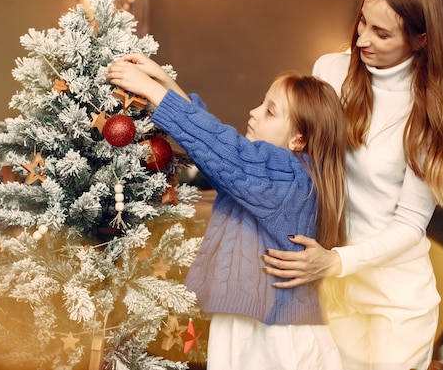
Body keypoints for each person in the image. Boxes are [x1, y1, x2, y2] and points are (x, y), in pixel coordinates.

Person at [261, 0, 443, 370]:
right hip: (334, 287)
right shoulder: (330, 73)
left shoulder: (429, 117)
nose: (362, 39)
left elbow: (410, 224)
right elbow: (293, 156)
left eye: (382, 33)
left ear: (422, 40)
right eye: (362, 23)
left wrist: (337, 260)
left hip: (397, 297)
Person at [107, 53, 347, 370]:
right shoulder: (268, 172)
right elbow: (213, 145)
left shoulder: (290, 176)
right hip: (251, 324)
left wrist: (155, 92)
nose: (254, 112)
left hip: (276, 336)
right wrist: (164, 82)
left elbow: (223, 150)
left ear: (298, 139)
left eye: (270, 111)